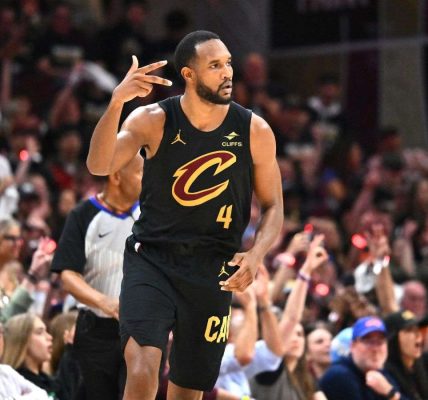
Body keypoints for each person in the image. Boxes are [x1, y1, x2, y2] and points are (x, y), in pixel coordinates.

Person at [86, 30, 283, 400]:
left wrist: (257, 254)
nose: (227, 72)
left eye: (228, 63)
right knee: (143, 367)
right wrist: (116, 103)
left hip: (213, 268)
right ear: (189, 75)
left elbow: (273, 206)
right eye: (215, 66)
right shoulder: (153, 120)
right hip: (153, 259)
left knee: (187, 392)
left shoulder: (254, 130)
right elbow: (99, 164)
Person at [50, 153, 144, 400]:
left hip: (143, 327)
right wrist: (106, 303)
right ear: (116, 176)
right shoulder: (83, 215)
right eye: (140, 173)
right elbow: (68, 274)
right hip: (96, 330)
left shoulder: (152, 216)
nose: (146, 179)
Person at [319, 316, 407, 400]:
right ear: (353, 346)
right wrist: (391, 394)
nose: (375, 349)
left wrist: (389, 392)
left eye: (380, 342)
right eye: (368, 341)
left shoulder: (382, 373)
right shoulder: (339, 375)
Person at [383, 310, 428, 400]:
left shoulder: (423, 363)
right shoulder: (386, 373)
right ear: (393, 339)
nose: (418, 335)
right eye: (409, 330)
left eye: (417, 329)